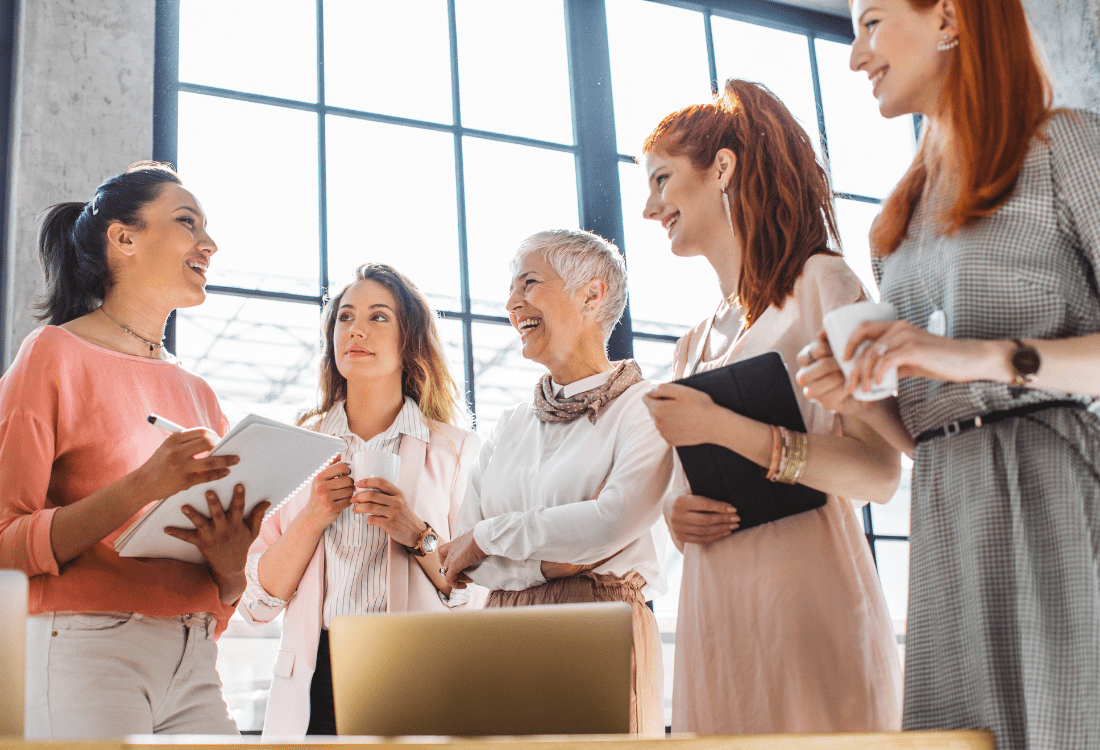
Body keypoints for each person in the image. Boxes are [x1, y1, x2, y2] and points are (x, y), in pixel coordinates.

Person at [796, 1, 1100, 747]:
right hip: (945, 507)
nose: (855, 57)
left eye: (870, 23)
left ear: (950, 20)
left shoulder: (1065, 146)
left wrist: (972, 356)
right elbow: (924, 432)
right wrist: (861, 402)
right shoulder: (893, 224)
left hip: (1055, 493)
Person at [638, 80, 904, 735]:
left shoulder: (823, 283)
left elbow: (881, 472)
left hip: (805, 605)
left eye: (662, 179)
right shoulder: (690, 345)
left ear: (721, 168)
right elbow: (685, 486)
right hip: (718, 619)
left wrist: (726, 428)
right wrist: (678, 515)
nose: (650, 207)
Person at [0, 162, 267, 738]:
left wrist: (229, 565)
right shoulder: (52, 355)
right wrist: (144, 487)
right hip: (86, 649)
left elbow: (228, 585)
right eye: (186, 222)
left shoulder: (199, 393)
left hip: (194, 654)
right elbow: (3, 541)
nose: (209, 243)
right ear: (124, 238)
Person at [437, 229, 674, 735]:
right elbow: (464, 555)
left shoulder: (648, 408)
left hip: (600, 626)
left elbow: (611, 522)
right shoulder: (509, 425)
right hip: (498, 629)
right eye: (511, 288)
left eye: (529, 282)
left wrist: (490, 539)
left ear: (591, 295)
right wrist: (546, 562)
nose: (511, 302)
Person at [241, 263, 482, 739]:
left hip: (416, 671)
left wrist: (416, 532)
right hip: (317, 677)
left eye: (378, 317)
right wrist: (312, 518)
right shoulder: (294, 449)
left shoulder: (456, 451)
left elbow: (474, 597)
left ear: (409, 340)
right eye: (345, 317)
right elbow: (257, 601)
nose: (356, 329)